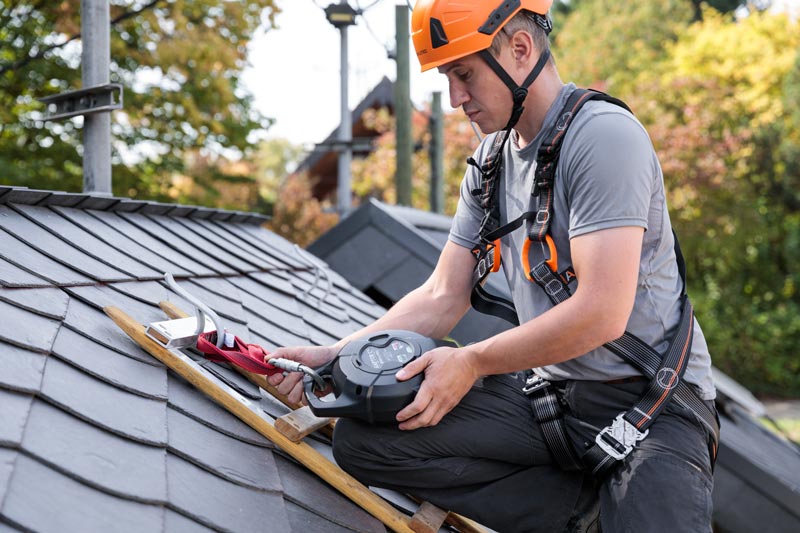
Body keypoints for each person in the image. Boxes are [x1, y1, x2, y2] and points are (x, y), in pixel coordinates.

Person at [268, 1, 719, 531]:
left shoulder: (603, 138)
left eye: (464, 74)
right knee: (364, 441)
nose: (455, 98)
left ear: (520, 50)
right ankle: (584, 513)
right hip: (551, 402)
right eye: (447, 78)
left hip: (651, 405)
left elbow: (602, 313)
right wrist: (336, 357)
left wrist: (474, 362)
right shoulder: (489, 164)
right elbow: (442, 296)